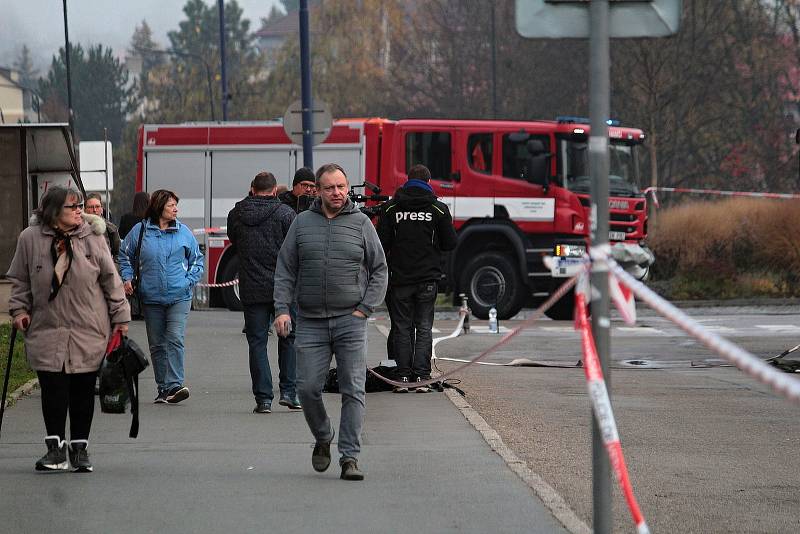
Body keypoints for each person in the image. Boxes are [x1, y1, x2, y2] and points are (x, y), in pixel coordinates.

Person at [273, 163, 388, 481]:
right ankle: (323, 435)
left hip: (351, 320)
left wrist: (365, 308)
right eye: (329, 188)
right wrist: (282, 309)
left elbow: (380, 269)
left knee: (354, 389)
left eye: (341, 187)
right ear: (317, 191)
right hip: (310, 321)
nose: (336, 193)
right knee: (307, 388)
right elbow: (285, 268)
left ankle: (349, 456)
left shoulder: (362, 223)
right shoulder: (301, 223)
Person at [6, 185, 130, 472]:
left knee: (82, 391)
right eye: (72, 207)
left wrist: (121, 318)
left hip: (88, 329)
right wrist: (19, 311)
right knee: (53, 389)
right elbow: (21, 282)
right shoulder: (30, 239)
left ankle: (80, 448)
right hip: (46, 328)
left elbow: (111, 281)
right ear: (52, 212)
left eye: (80, 207)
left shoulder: (93, 237)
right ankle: (55, 449)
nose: (79, 212)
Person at [118, 189, 204, 404]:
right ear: (159, 207)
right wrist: (127, 278)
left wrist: (188, 281)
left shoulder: (184, 232)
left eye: (176, 205)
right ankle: (163, 388)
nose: (175, 209)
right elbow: (124, 254)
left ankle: (175, 384)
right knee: (157, 344)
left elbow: (197, 261)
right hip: (151, 297)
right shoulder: (140, 231)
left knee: (175, 337)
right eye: (171, 205)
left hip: (179, 296)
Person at [377, 164, 457, 393]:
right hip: (427, 279)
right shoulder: (438, 209)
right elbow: (450, 243)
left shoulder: (391, 208)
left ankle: (402, 377)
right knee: (423, 327)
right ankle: (422, 376)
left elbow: (381, 244)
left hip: (400, 278)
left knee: (402, 327)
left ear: (407, 181)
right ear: (428, 182)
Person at [227, 171, 299, 414]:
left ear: (252, 188)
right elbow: (294, 249)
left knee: (257, 343)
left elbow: (234, 241)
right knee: (289, 339)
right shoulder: (286, 214)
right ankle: (289, 391)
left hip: (252, 287)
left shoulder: (237, 214)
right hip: (283, 289)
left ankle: (263, 398)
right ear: (275, 190)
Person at [84, 193, 121, 267]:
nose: (94, 210)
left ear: (101, 209)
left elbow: (118, 254)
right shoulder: (79, 229)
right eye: (91, 207)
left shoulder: (111, 229)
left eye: (97, 207)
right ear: (85, 209)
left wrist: (113, 268)